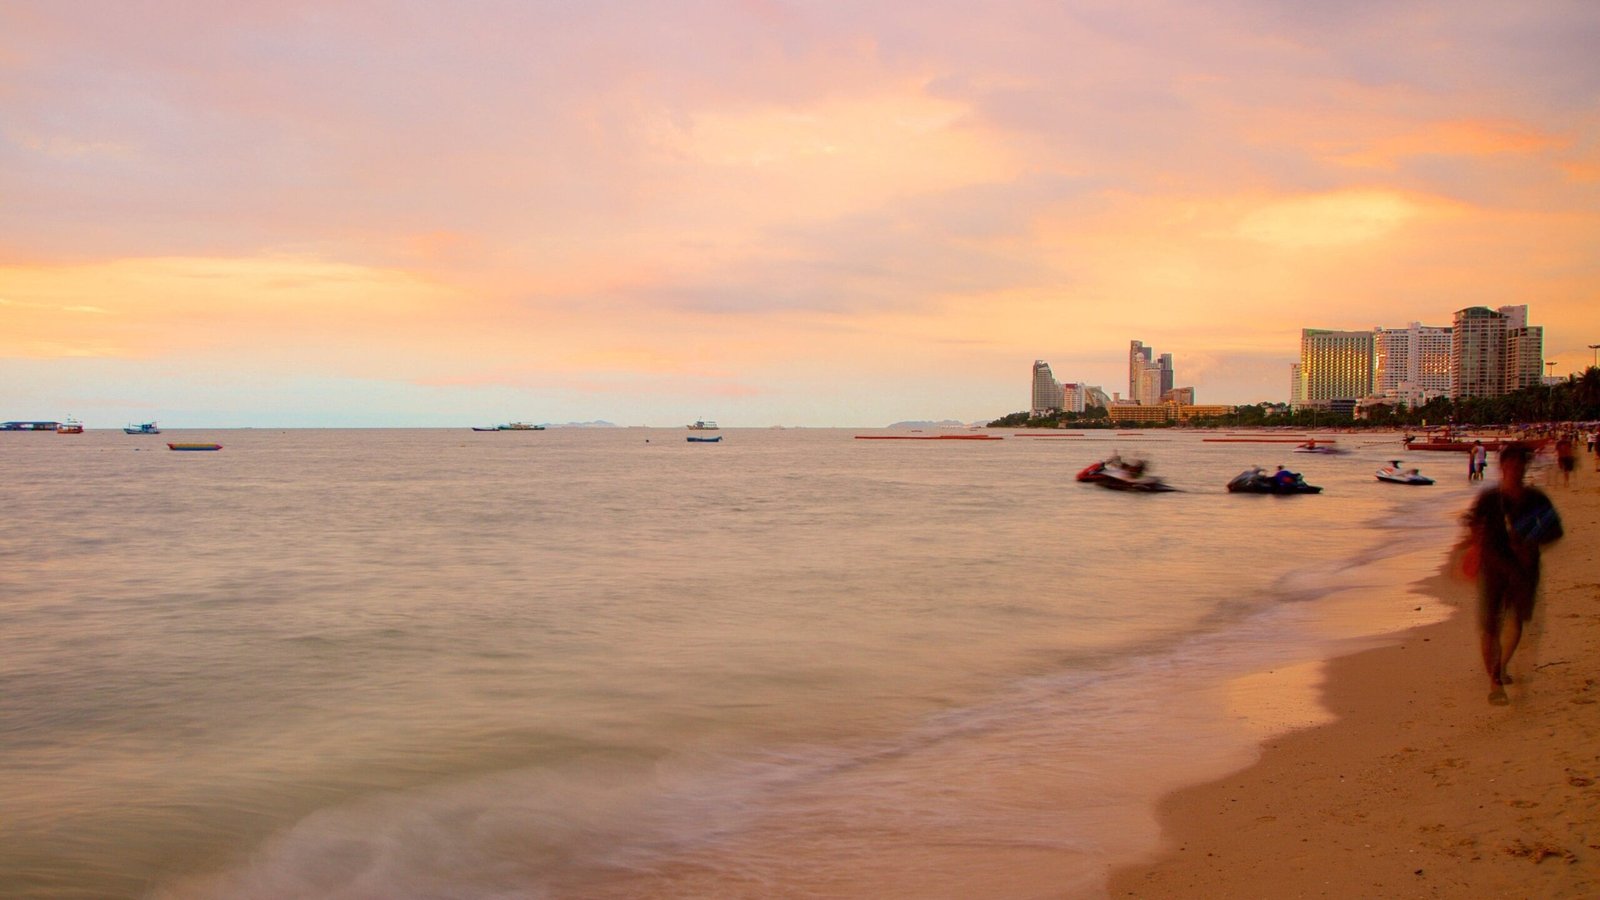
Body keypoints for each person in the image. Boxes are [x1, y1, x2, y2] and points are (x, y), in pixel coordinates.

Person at [1462, 443, 1563, 704]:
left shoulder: (1536, 499)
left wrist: (1531, 543)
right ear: (1502, 467)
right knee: (1490, 626)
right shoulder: (1489, 499)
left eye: (1520, 465)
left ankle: (1501, 665)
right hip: (1493, 567)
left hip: (1524, 570)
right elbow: (1472, 524)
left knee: (1516, 620)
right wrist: (1470, 548)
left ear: (1525, 467)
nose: (1515, 470)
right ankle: (1495, 681)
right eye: (1511, 465)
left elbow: (1555, 531)